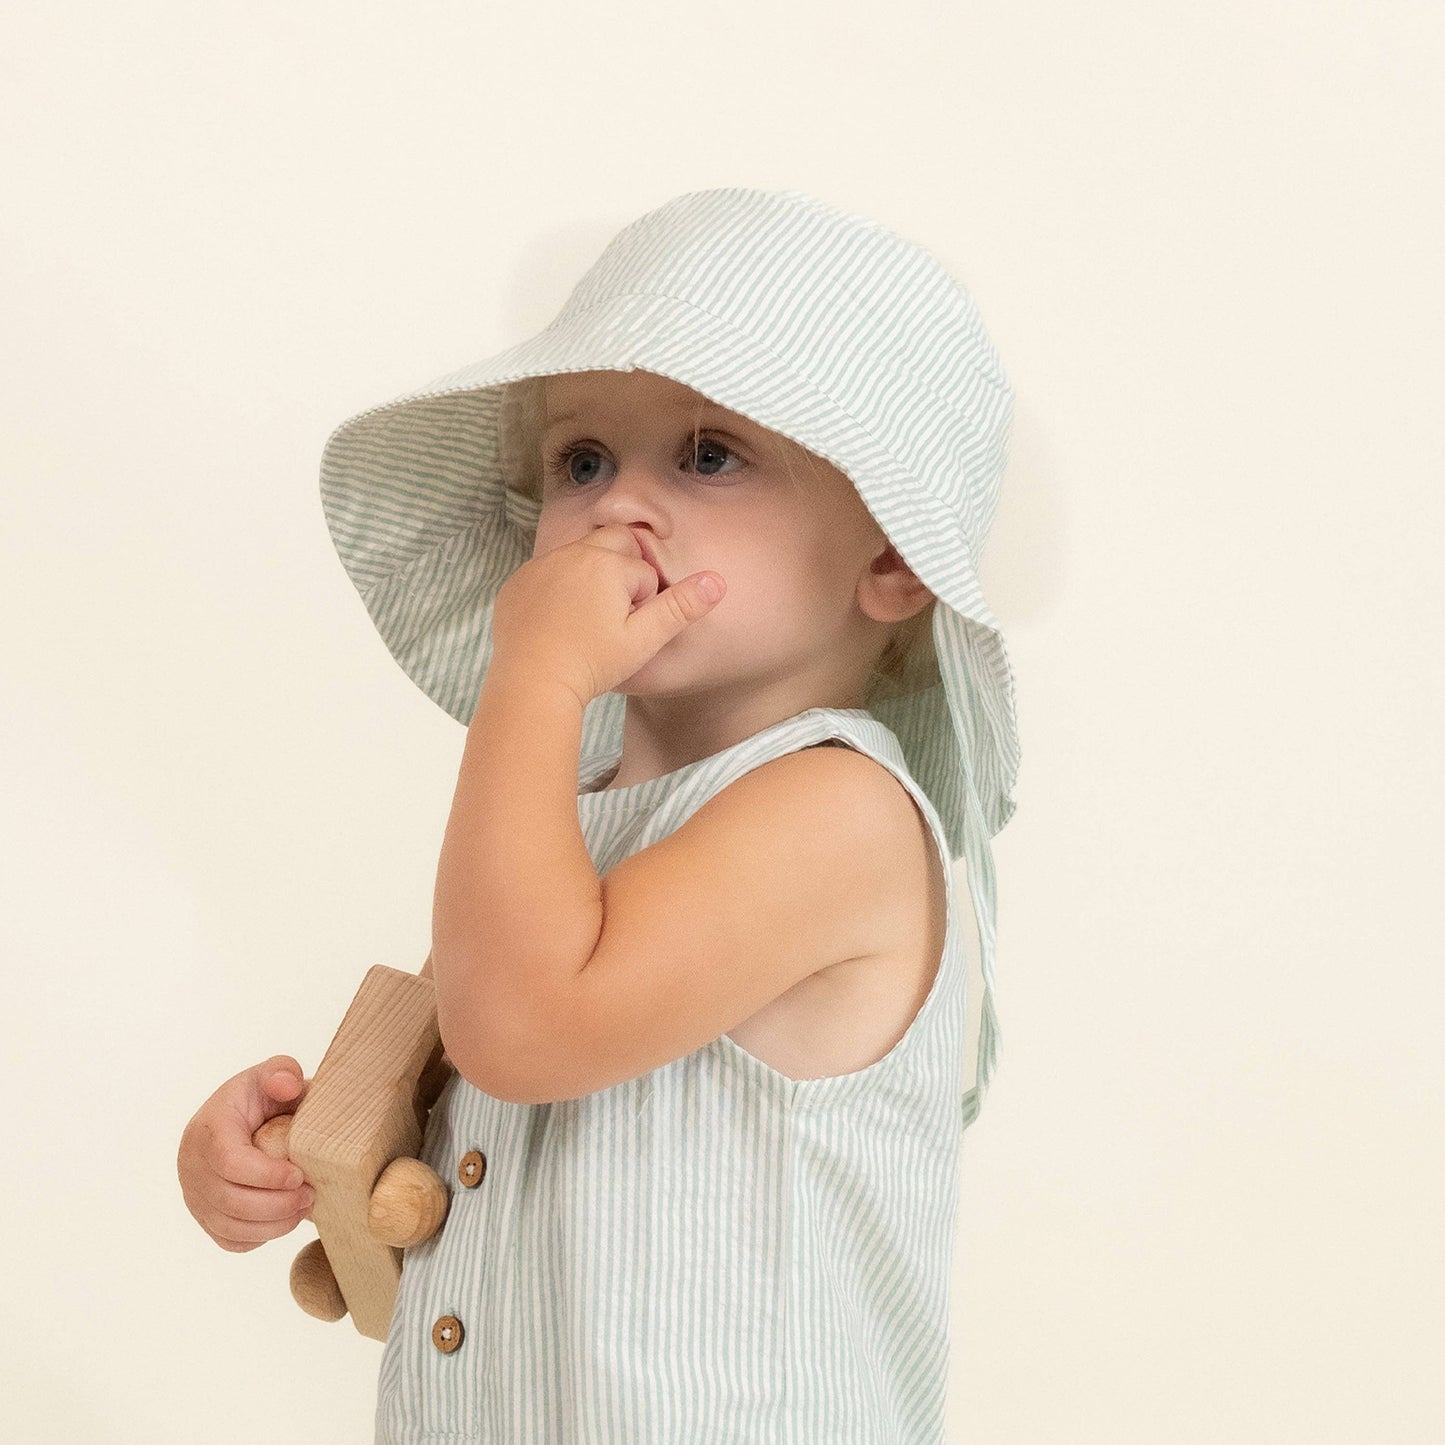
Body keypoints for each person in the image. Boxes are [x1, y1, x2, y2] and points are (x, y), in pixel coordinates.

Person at [177, 186, 1021, 1444]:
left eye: (709, 452)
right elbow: (476, 1070)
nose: (615, 507)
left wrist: (532, 676)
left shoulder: (838, 812)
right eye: (580, 461)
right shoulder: (561, 826)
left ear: (890, 555)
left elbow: (523, 1021)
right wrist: (299, 1157)